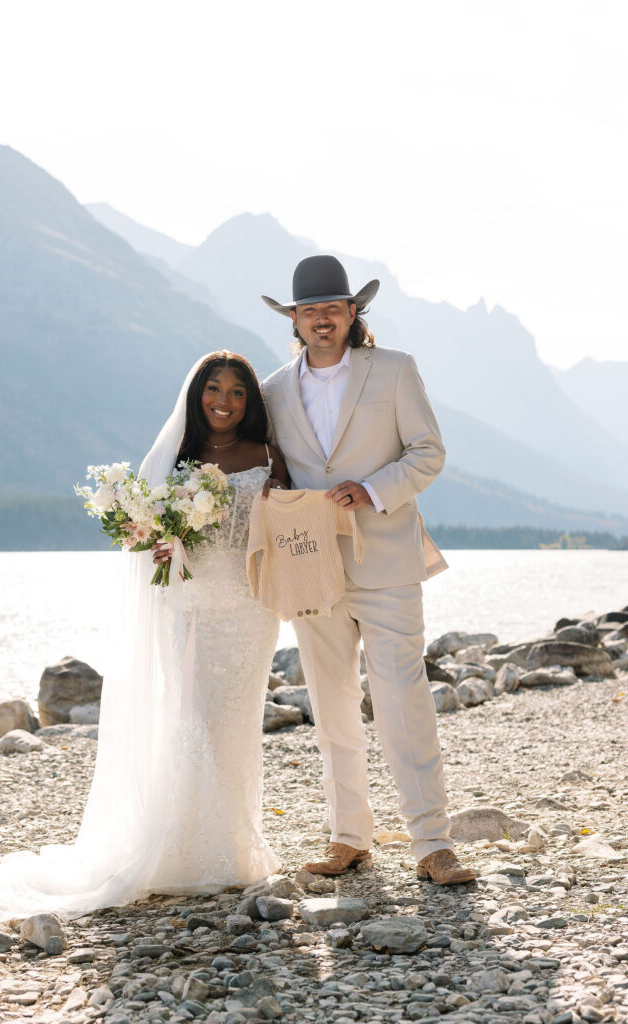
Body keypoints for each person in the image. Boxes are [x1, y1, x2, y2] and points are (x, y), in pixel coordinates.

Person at [0, 350, 289, 935]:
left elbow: (285, 525)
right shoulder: (179, 457)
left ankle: (235, 846)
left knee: (235, 720)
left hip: (249, 608)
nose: (225, 401)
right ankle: (181, 849)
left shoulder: (268, 456)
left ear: (252, 402)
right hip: (188, 606)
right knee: (192, 718)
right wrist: (162, 543)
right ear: (197, 396)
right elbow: (147, 535)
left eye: (238, 392)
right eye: (215, 389)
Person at [260, 255, 475, 885]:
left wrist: (374, 489)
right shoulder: (272, 390)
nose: (320, 319)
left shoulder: (395, 370)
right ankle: (349, 837)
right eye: (308, 311)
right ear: (294, 320)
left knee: (403, 699)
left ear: (354, 313)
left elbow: (429, 452)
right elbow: (273, 469)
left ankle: (431, 842)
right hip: (310, 568)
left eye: (332, 307)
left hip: (386, 559)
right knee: (330, 706)